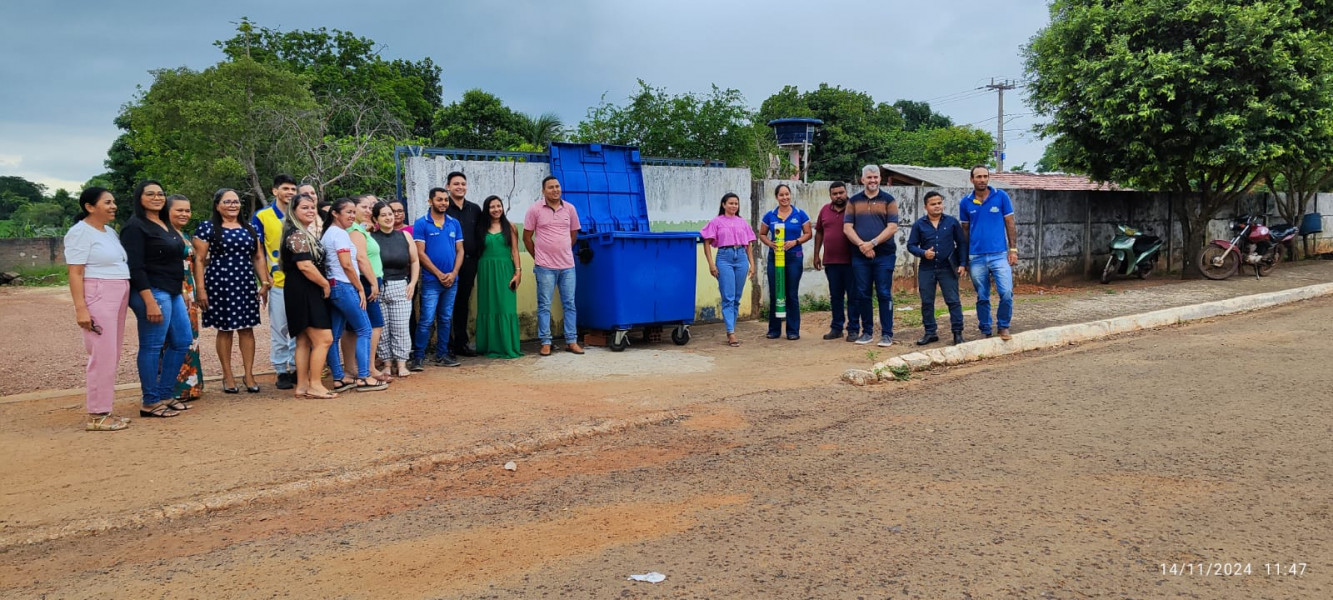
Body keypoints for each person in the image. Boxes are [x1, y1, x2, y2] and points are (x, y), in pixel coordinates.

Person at [122, 180, 191, 418]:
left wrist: (179, 289)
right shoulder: (135, 226)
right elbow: (135, 267)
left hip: (172, 291)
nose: (156, 197)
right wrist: (149, 300)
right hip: (152, 291)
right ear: (139, 198)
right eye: (150, 194)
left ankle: (165, 394)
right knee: (152, 346)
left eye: (160, 193)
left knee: (183, 340)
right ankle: (150, 401)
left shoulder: (163, 223)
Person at [65, 187, 132, 431]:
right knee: (101, 354)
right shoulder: (79, 233)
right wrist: (81, 308)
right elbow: (75, 271)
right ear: (90, 207)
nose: (113, 206)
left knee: (111, 353)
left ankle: (105, 409)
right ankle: (97, 414)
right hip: (98, 292)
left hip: (118, 291)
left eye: (113, 201)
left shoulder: (109, 232)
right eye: (107, 202)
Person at [194, 188, 270, 394]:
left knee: (247, 329)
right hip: (219, 284)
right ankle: (227, 375)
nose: (232, 205)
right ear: (217, 205)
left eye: (235, 201)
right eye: (227, 202)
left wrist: (264, 282)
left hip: (245, 283)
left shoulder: (250, 228)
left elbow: (258, 257)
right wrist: (200, 289)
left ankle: (249, 374)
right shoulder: (207, 228)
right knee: (225, 329)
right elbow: (199, 260)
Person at [322, 198, 388, 392]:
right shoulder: (340, 234)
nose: (352, 216)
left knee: (334, 335)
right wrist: (360, 287)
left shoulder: (328, 233)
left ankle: (339, 378)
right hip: (344, 286)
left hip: (334, 286)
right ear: (335, 213)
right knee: (365, 329)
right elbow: (347, 264)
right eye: (348, 212)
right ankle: (364, 377)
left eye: (353, 212)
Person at [281, 193, 338, 399]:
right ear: (293, 211)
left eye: (312, 207)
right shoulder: (296, 235)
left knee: (304, 340)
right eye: (304, 207)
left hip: (299, 289)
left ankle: (303, 385)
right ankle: (315, 384)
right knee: (324, 339)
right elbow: (305, 265)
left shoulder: (300, 233)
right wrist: (324, 284)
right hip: (305, 289)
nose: (310, 211)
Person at [523, 176, 584, 356]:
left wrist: (563, 250)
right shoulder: (535, 209)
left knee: (570, 304)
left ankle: (571, 341)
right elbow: (526, 237)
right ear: (543, 191)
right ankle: (546, 342)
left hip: (567, 266)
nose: (555, 190)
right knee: (544, 305)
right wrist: (539, 256)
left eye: (557, 186)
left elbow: (573, 235)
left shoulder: (570, 209)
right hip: (545, 267)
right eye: (551, 187)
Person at [843, 165, 900, 347]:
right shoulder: (853, 201)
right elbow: (847, 227)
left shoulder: (888, 200)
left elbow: (892, 227)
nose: (873, 180)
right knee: (862, 294)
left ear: (880, 179)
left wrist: (872, 243)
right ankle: (867, 332)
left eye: (876, 177)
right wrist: (862, 245)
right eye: (869, 177)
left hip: (884, 255)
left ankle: (887, 334)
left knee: (884, 293)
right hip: (860, 255)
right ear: (862, 180)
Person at [960, 165, 1018, 340]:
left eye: (985, 176)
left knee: (1006, 293)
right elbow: (965, 231)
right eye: (978, 177)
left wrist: (1013, 250)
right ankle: (986, 329)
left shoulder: (1001, 197)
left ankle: (1003, 326)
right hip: (976, 257)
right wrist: (964, 259)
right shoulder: (966, 202)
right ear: (972, 180)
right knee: (983, 296)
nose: (982, 179)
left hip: (999, 255)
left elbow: (1010, 223)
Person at [411, 188, 465, 369]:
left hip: (452, 280)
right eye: (439, 200)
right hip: (431, 281)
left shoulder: (454, 223)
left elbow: (460, 250)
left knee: (445, 318)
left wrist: (454, 273)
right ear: (430, 201)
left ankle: (442, 355)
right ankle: (418, 357)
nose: (443, 203)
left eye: (445, 200)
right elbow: (420, 253)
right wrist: (439, 274)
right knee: (426, 319)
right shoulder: (421, 224)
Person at [253, 174, 299, 390]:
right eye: (286, 189)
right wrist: (264, 279)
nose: (290, 193)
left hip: (300, 280)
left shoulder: (300, 213)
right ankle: (281, 370)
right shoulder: (262, 216)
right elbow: (258, 251)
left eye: (293, 189)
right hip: (278, 281)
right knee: (279, 328)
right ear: (275, 191)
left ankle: (298, 367)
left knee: (298, 326)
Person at [907, 191, 968, 346]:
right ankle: (930, 332)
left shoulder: (952, 222)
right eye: (933, 204)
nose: (937, 206)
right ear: (926, 206)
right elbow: (911, 245)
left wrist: (962, 264)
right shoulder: (919, 224)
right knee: (927, 302)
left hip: (948, 268)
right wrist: (923, 253)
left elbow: (961, 243)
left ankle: (957, 333)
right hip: (927, 269)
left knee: (953, 301)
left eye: (939, 203)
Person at [343, 194, 391, 383]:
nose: (368, 211)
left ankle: (352, 368)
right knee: (373, 325)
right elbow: (362, 259)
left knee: (354, 327)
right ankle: (368, 367)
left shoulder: (358, 229)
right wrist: (373, 283)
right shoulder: (355, 231)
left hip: (366, 280)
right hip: (365, 281)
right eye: (363, 207)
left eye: (369, 208)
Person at [371, 201, 420, 375]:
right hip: (378, 288)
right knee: (382, 329)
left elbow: (414, 261)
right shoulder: (371, 238)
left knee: (400, 327)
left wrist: (413, 283)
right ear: (376, 219)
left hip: (401, 285)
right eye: (383, 215)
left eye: (390, 214)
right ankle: (386, 364)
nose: (388, 218)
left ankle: (401, 364)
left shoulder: (404, 236)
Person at [700, 192, 755, 347]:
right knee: (728, 297)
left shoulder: (742, 222)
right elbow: (707, 242)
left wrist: (752, 264)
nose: (733, 206)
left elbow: (749, 245)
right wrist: (711, 264)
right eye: (730, 203)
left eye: (736, 203)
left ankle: (732, 327)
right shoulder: (716, 222)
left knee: (737, 298)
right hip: (724, 258)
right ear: (723, 205)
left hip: (741, 258)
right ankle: (731, 332)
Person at [757, 183, 812, 340]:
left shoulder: (800, 214)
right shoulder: (770, 215)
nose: (784, 197)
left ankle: (793, 330)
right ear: (776, 197)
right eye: (781, 195)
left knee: (791, 294)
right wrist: (770, 244)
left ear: (790, 195)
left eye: (787, 194)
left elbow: (808, 233)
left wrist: (795, 242)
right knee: (775, 293)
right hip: (775, 258)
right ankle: (774, 330)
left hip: (794, 257)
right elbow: (762, 234)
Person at [473, 195, 523, 358]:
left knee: (505, 306)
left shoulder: (511, 227)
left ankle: (508, 346)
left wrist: (518, 272)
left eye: (499, 206)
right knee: (488, 306)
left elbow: (515, 251)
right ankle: (489, 346)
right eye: (492, 207)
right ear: (487, 210)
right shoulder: (480, 228)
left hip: (505, 270)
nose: (496, 209)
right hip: (486, 270)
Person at [812, 181, 862, 342]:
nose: (838, 196)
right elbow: (819, 232)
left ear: (846, 192)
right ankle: (836, 328)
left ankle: (853, 329)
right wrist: (816, 255)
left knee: (853, 296)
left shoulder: (854, 209)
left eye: (841, 192)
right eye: (835, 193)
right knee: (835, 296)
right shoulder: (825, 210)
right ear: (830, 195)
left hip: (852, 261)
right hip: (831, 261)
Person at [443, 172, 483, 357]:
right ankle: (446, 345)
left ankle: (461, 343)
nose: (460, 186)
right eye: (456, 183)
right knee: (446, 304)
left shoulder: (474, 209)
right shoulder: (443, 209)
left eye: (463, 183)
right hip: (448, 265)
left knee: (462, 303)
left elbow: (481, 234)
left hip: (470, 263)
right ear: (448, 186)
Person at [167, 195, 204, 402]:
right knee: (174, 339)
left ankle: (190, 386)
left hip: (188, 291)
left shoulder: (184, 234)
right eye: (179, 210)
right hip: (174, 290)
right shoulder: (163, 234)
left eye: (187, 210)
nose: (184, 214)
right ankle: (172, 388)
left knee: (190, 338)